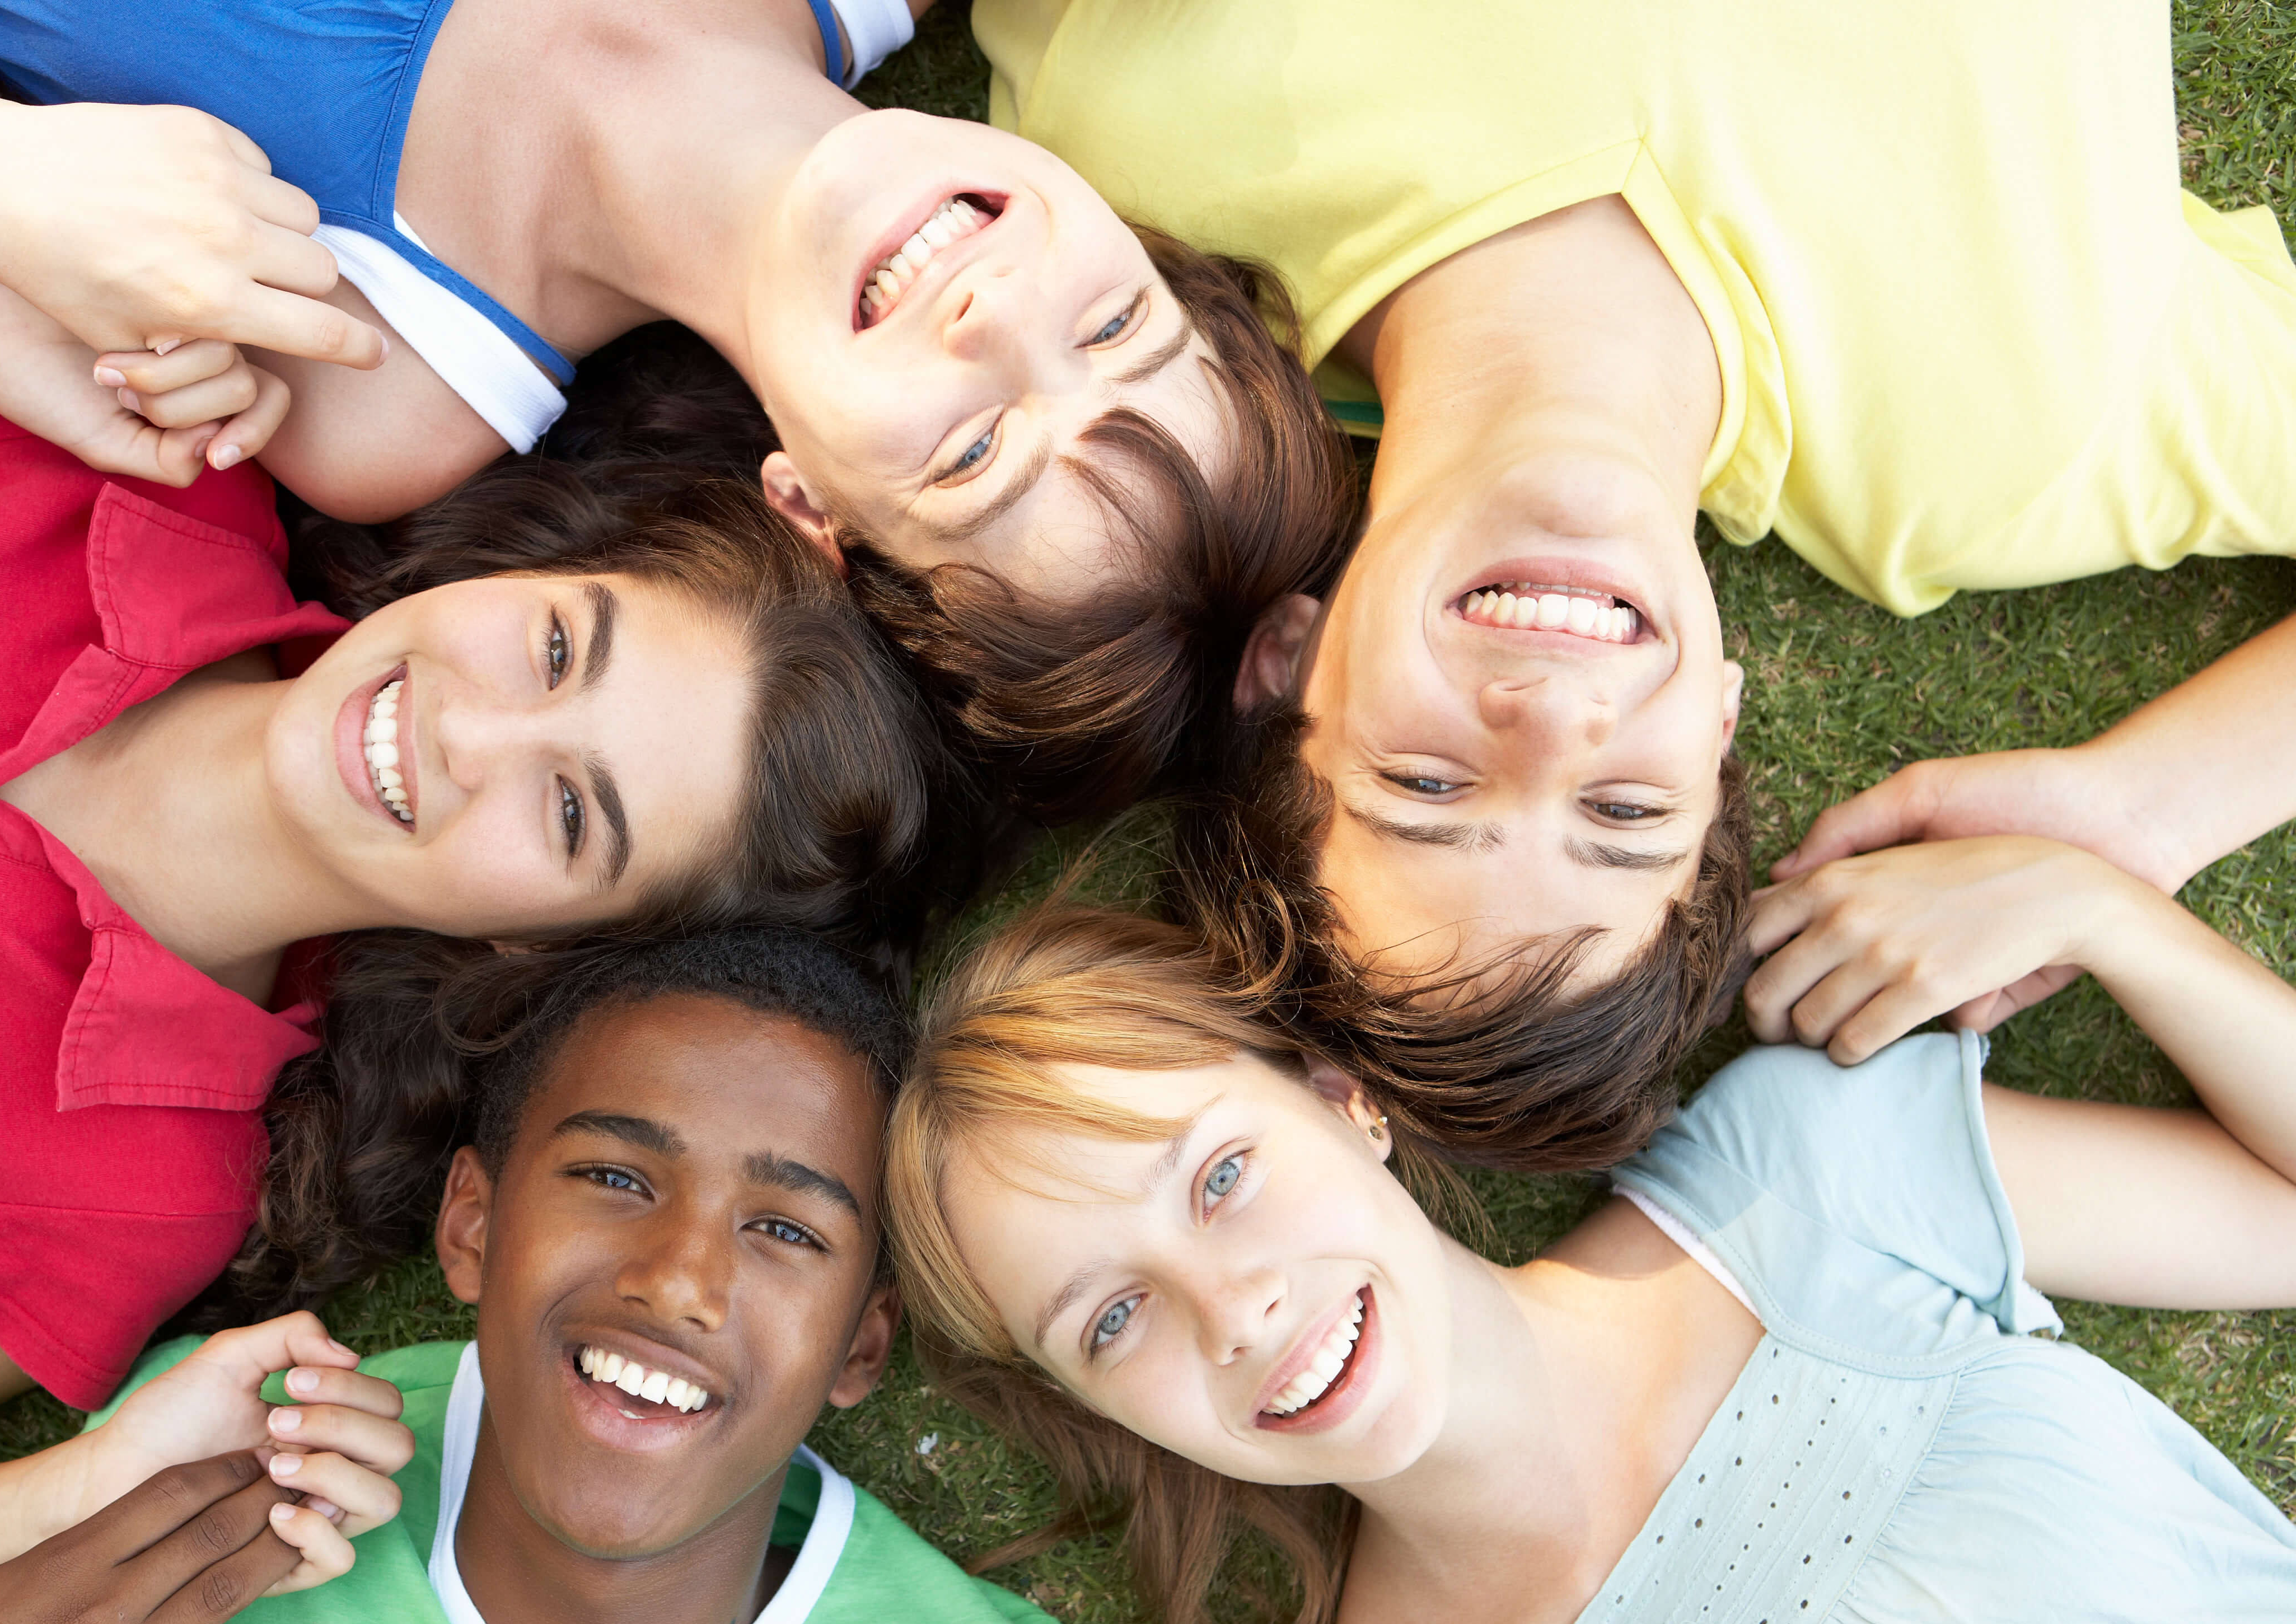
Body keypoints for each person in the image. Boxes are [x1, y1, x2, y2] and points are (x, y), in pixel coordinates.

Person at [0, 95, 941, 1624]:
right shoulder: (139, 479)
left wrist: (89, 1487)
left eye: (571, 817)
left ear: (544, 943)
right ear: (532, 562)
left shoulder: (128, 1181)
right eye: (554, 647)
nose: (471, 729)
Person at [976, 0, 2296, 1150]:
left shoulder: (1110, 221)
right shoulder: (2003, 440)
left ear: (1284, 666)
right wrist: (2145, 810)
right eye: (1625, 809)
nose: (1553, 715)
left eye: (1426, 785)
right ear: (1720, 719)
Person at [0, 929, 1256, 1624]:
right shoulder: (219, 1493)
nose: (679, 1278)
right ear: (472, 1225)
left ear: (864, 1347)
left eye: (787, 1229)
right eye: (611, 1176)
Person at [876, 860, 2296, 1624]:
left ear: (1343, 1098)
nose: (1230, 1308)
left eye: (1222, 1173)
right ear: (1089, 1401)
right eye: (1110, 1320)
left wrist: (2097, 908)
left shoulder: (1803, 1180)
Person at [0, 0, 1360, 817]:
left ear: (812, 510)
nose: (994, 315)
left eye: (974, 451)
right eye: (1116, 326)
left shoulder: (380, 388)